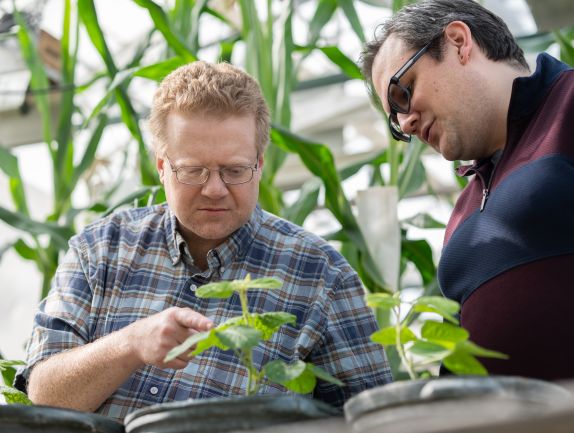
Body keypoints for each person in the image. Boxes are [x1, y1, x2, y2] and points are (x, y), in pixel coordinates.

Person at [17, 61, 392, 421]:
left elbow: (375, 421)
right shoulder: (100, 250)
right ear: (162, 167)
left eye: (234, 170)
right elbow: (44, 395)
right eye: (193, 170)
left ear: (260, 164)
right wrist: (131, 344)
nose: (215, 190)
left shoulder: (322, 277)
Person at [361, 0, 574, 380]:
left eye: (403, 94)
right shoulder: (462, 212)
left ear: (458, 41)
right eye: (395, 122)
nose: (407, 122)